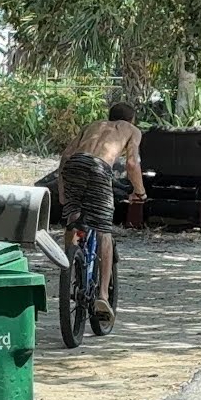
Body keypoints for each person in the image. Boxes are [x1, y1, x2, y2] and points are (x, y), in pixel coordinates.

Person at [57, 102, 147, 317]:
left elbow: (65, 156)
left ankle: (70, 264)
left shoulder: (93, 126)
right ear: (131, 120)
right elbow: (133, 164)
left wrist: (62, 192)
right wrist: (140, 192)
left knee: (75, 217)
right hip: (99, 169)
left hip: (74, 166)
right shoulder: (131, 130)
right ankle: (103, 296)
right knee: (103, 230)